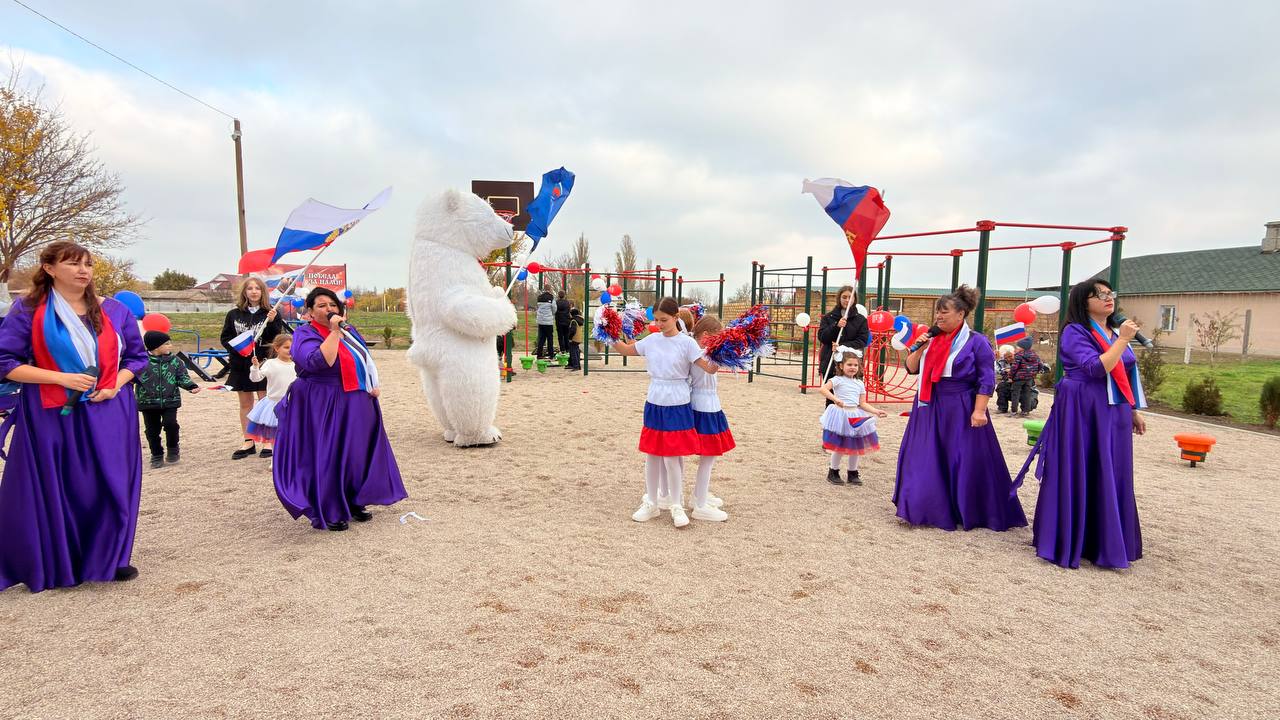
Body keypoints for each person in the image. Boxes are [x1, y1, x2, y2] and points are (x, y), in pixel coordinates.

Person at [0, 241, 149, 591]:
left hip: (109, 407)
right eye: (73, 264)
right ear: (50, 269)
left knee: (110, 481)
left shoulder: (114, 310)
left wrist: (115, 385)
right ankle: (61, 561)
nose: (83, 271)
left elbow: (137, 359)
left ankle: (109, 557)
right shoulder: (28, 310)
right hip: (52, 409)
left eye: (88, 264)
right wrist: (59, 377)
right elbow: (5, 363)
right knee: (62, 483)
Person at [1014, 279, 1147, 569]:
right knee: (1080, 467)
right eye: (1099, 294)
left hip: (1114, 410)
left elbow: (1123, 372)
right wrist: (1122, 340)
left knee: (1111, 470)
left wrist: (1133, 409)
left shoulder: (1113, 330)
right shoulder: (1076, 331)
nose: (1107, 298)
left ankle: (1104, 538)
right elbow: (1096, 367)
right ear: (1083, 301)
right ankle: (1072, 536)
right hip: (1083, 407)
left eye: (1110, 293)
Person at [893, 285, 1027, 531]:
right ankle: (925, 506)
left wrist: (979, 410)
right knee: (925, 454)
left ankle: (966, 509)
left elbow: (986, 379)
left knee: (962, 457)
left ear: (961, 314)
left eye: (944, 312)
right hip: (928, 404)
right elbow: (911, 368)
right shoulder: (932, 339)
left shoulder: (977, 342)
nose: (939, 317)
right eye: (937, 313)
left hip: (961, 405)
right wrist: (920, 346)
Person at [272, 288, 407, 531]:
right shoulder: (305, 334)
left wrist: (371, 383)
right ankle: (331, 508)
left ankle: (354, 500)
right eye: (321, 305)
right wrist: (334, 332)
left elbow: (363, 357)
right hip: (322, 401)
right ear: (311, 312)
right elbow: (318, 362)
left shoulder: (349, 329)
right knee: (330, 454)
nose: (329, 309)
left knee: (356, 452)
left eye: (332, 304)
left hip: (355, 398)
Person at [612, 297, 720, 528]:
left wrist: (728, 351)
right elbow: (625, 350)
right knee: (652, 453)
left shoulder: (687, 344)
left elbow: (709, 368)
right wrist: (607, 331)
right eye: (657, 320)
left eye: (664, 320)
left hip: (678, 401)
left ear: (676, 318)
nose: (660, 324)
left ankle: (676, 505)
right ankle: (651, 502)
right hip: (655, 399)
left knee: (672, 456)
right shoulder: (651, 340)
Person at [220, 277, 284, 459]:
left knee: (266, 401)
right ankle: (248, 440)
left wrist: (272, 322)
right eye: (250, 288)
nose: (254, 291)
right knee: (245, 403)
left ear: (263, 292)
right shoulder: (233, 314)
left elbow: (275, 339)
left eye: (257, 288)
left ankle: (267, 440)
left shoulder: (271, 313)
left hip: (263, 362)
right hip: (240, 364)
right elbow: (225, 338)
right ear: (244, 292)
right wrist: (239, 350)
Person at [685, 315, 732, 521]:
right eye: (717, 337)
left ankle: (699, 496)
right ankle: (700, 503)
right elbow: (711, 369)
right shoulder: (701, 353)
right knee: (707, 457)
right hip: (703, 405)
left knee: (708, 458)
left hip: (708, 403)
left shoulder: (700, 351)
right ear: (706, 336)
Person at [819, 349, 887, 485]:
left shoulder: (859, 383)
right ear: (840, 366)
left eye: (855, 365)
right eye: (849, 364)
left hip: (856, 415)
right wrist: (835, 399)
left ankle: (853, 473)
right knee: (839, 445)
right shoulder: (837, 380)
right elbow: (823, 389)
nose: (852, 368)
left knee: (856, 445)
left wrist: (875, 411)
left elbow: (862, 403)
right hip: (841, 415)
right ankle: (833, 471)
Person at [136, 330, 201, 469]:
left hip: (170, 401)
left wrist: (191, 386)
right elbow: (131, 378)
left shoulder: (176, 361)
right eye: (167, 343)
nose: (170, 346)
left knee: (171, 424)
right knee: (152, 430)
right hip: (147, 402)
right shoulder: (141, 362)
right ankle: (156, 454)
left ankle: (173, 448)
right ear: (155, 346)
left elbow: (182, 377)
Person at [246, 334, 297, 461]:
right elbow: (256, 378)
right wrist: (255, 367)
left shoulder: (298, 364)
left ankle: (291, 460)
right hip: (275, 404)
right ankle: (276, 460)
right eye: (286, 347)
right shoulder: (270, 363)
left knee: (294, 433)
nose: (290, 350)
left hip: (294, 404)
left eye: (292, 347)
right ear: (276, 348)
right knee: (276, 434)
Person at [817, 285, 869, 405]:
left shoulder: (861, 320)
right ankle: (832, 423)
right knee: (832, 399)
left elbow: (862, 340)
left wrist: (841, 346)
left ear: (854, 299)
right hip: (832, 362)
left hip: (853, 363)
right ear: (839, 298)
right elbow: (823, 337)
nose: (847, 300)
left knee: (852, 398)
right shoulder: (828, 317)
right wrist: (836, 326)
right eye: (844, 297)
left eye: (850, 297)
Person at [1009, 337, 1045, 417]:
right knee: (1027, 394)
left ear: (1022, 348)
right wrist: (1035, 372)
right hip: (1029, 378)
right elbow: (1041, 365)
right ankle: (1026, 411)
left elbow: (1014, 368)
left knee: (1015, 393)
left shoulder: (1018, 356)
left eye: (1017, 347)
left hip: (1018, 378)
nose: (1016, 348)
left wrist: (1010, 376)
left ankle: (1014, 411)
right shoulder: (1035, 355)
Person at [535, 287, 556, 359]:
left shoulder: (539, 297)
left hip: (540, 321)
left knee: (541, 338)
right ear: (550, 290)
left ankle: (539, 354)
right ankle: (551, 354)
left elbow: (538, 307)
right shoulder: (551, 297)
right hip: (548, 322)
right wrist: (551, 314)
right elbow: (554, 308)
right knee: (550, 338)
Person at [995, 345, 1016, 414]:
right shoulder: (1001, 362)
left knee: (1031, 403)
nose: (1008, 359)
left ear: (1014, 354)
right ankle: (1002, 408)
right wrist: (1004, 370)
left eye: (1010, 356)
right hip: (1008, 383)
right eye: (1006, 357)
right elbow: (996, 370)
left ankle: (1025, 409)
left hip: (1021, 383)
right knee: (1001, 386)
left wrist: (1012, 370)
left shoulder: (1020, 359)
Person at [565, 304, 584, 371]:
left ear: (572, 314)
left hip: (574, 339)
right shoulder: (580, 320)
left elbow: (573, 330)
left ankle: (575, 366)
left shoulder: (573, 321)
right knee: (576, 352)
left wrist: (570, 338)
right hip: (579, 338)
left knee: (573, 353)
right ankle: (578, 365)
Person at [554, 290, 573, 354]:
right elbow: (569, 311)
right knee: (566, 335)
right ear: (564, 295)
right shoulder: (567, 303)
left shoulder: (556, 303)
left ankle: (562, 349)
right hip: (566, 321)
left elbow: (554, 311)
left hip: (559, 321)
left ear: (558, 295)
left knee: (560, 336)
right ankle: (567, 349)